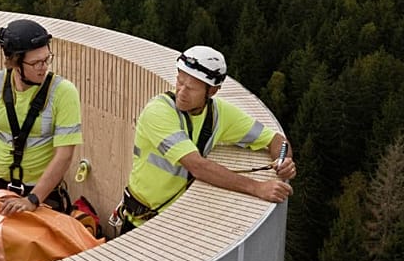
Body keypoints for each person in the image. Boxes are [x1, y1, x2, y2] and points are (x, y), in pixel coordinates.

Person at [114, 45, 296, 235]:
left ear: (212, 91)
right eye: (179, 82)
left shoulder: (220, 114)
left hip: (178, 220)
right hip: (140, 222)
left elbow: (277, 140)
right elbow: (198, 167)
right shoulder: (158, 112)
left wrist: (284, 160)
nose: (181, 92)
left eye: (191, 88)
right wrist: (257, 187)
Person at [0, 19, 83, 215]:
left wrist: (33, 199)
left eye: (47, 59)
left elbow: (64, 155)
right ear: (15, 62)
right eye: (36, 63)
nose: (43, 67)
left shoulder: (63, 93)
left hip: (40, 197)